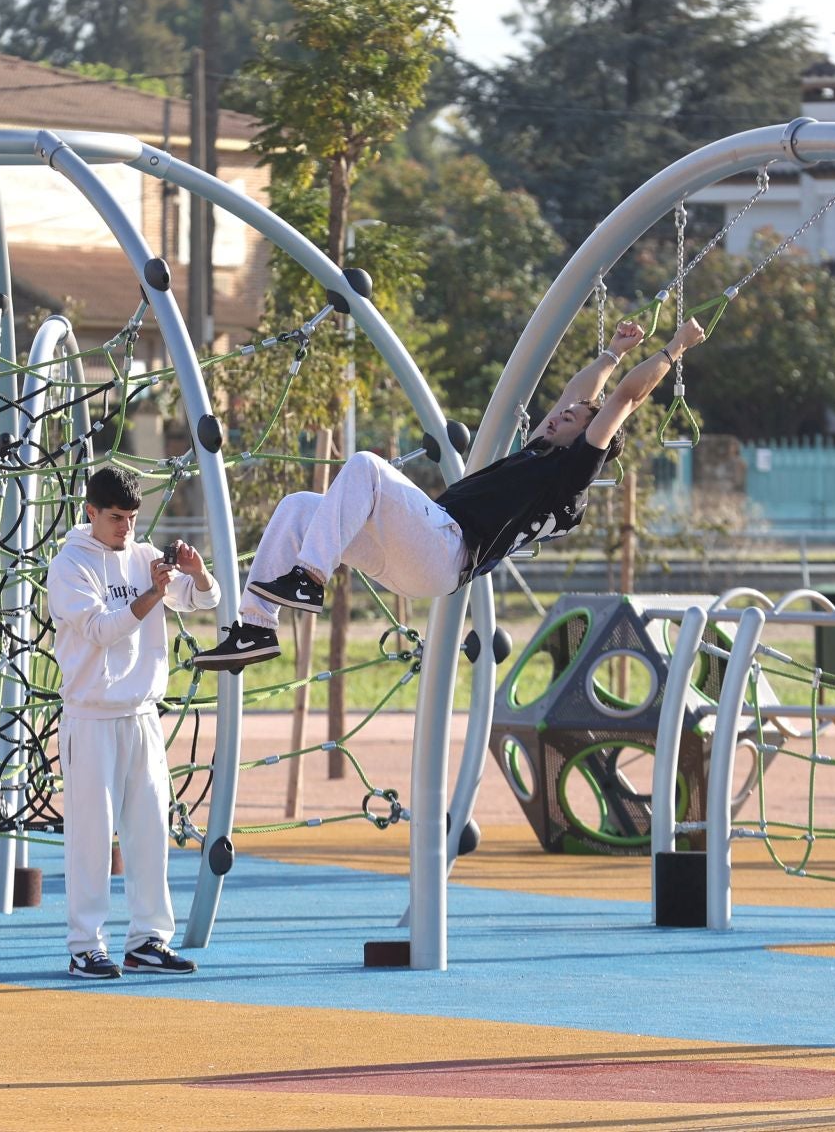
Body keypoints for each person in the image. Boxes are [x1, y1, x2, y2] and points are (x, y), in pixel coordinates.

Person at [193, 316, 707, 670]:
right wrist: (613, 352)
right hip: (417, 558)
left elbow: (622, 400)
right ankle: (256, 629)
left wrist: (675, 347)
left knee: (367, 466)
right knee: (300, 507)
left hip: (447, 548)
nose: (558, 413)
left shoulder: (569, 477)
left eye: (569, 418)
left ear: (587, 439)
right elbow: (585, 394)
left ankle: (308, 577)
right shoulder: (543, 452)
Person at [46, 465, 218, 980]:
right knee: (91, 836)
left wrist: (195, 571)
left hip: (142, 714)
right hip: (91, 717)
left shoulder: (144, 557)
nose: (125, 529)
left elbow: (204, 600)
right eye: (116, 518)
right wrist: (152, 595)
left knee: (148, 831)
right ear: (91, 512)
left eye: (133, 518)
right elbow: (101, 629)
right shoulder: (69, 565)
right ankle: (85, 945)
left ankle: (147, 940)